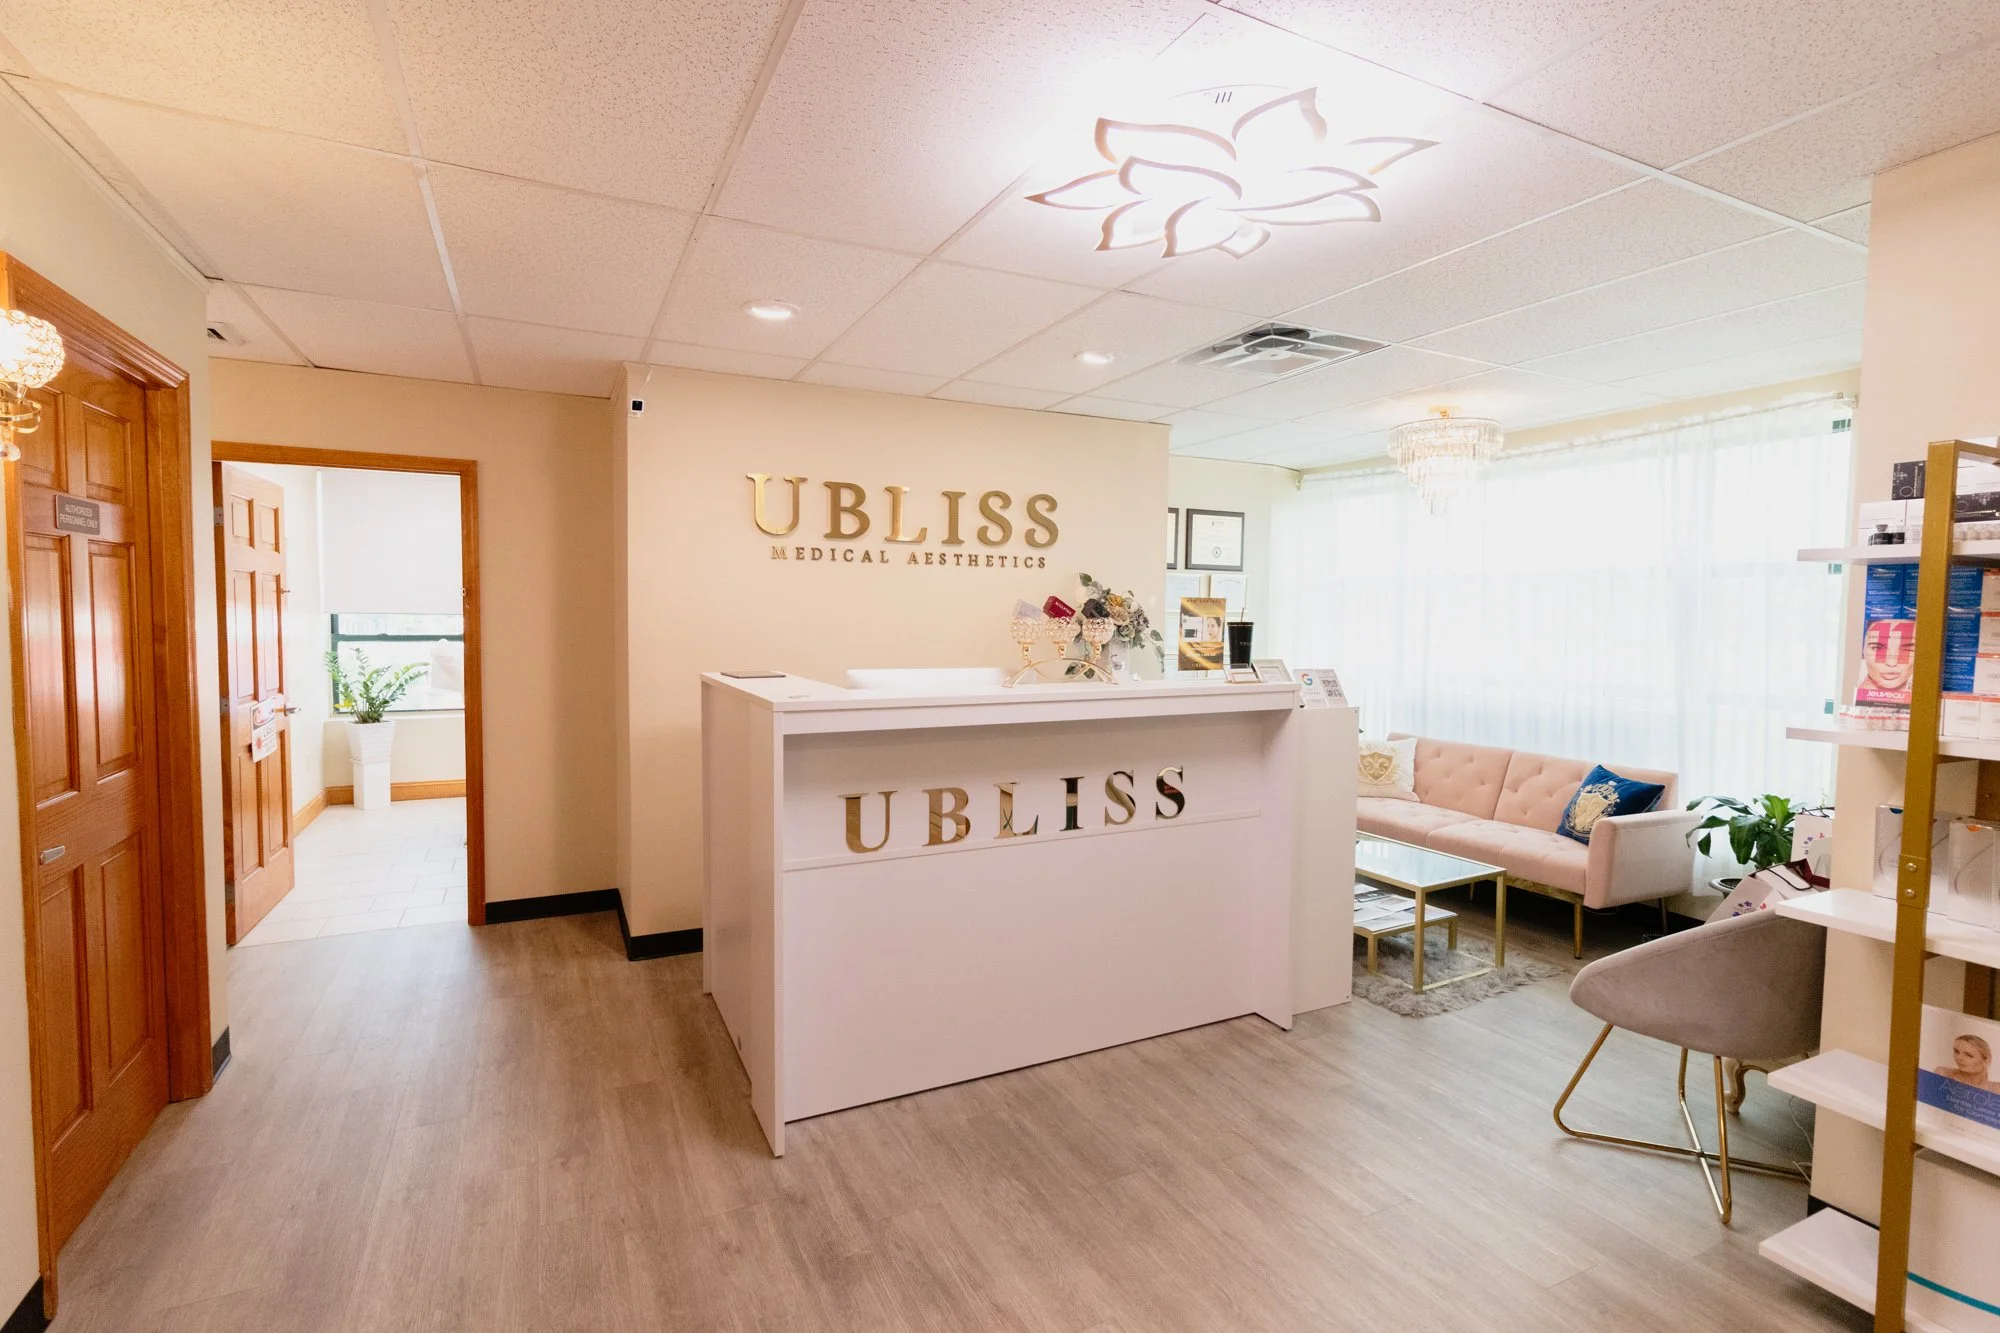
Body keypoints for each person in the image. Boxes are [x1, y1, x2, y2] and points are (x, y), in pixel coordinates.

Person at [1931, 1033, 2000, 1091]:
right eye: (1956, 1051)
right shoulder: (1943, 1074)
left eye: (1969, 1055)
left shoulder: (1996, 1088)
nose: (1959, 1058)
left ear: (1986, 1060)